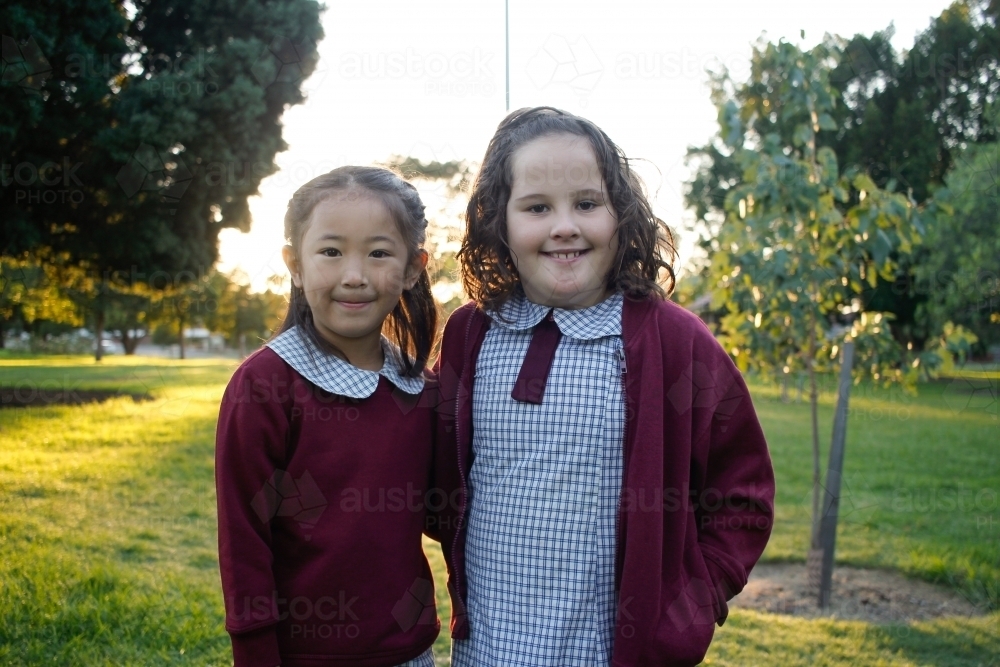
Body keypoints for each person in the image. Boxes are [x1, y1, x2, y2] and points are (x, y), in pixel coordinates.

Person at [431, 107, 775, 666]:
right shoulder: (471, 333)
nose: (564, 225)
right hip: (486, 650)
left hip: (615, 653)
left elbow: (743, 492)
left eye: (587, 204)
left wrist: (694, 599)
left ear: (621, 214)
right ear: (500, 221)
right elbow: (434, 474)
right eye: (537, 207)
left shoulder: (672, 340)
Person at [216, 166, 440, 667]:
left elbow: (446, 515)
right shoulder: (265, 386)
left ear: (413, 268)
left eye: (379, 253)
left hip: (410, 651)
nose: (354, 275)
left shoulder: (422, 389)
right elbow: (243, 540)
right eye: (331, 251)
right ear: (295, 263)